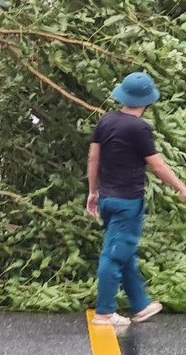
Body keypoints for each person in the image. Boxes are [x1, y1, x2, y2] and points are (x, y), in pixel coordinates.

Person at [87, 72, 186, 325]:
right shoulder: (139, 128)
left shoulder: (106, 121)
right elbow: (158, 166)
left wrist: (93, 191)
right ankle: (105, 313)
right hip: (127, 202)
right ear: (146, 102)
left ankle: (141, 305)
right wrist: (181, 187)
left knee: (124, 252)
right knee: (113, 255)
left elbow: (93, 158)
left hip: (108, 199)